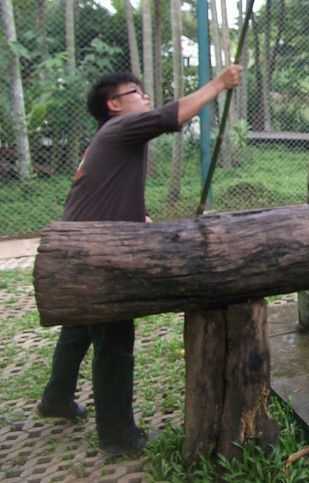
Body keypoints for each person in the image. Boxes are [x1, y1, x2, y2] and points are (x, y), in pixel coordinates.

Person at [36, 65, 243, 455]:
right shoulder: (119, 128)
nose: (145, 97)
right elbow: (172, 115)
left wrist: (140, 218)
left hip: (77, 246)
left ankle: (56, 399)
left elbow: (106, 190)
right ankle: (118, 437)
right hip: (96, 253)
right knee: (114, 341)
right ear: (114, 104)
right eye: (137, 92)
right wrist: (219, 84)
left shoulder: (111, 137)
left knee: (79, 328)